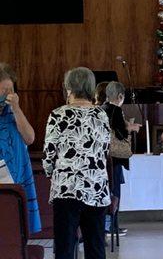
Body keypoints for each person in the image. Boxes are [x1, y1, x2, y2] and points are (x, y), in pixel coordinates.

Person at [43, 67, 111, 259]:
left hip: (66, 188)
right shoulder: (101, 115)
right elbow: (105, 150)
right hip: (96, 186)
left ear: (68, 87)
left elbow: (49, 153)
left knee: (65, 247)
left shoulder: (58, 114)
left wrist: (52, 173)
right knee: (96, 246)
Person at [0, 63, 41, 234]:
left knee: (15, 229)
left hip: (16, 178)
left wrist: (16, 108)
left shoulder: (13, 112)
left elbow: (30, 138)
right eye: (4, 90)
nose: (8, 95)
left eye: (11, 90)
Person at [100, 81, 141, 236]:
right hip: (115, 157)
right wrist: (132, 128)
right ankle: (111, 226)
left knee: (107, 191)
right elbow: (121, 133)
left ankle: (109, 225)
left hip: (104, 157)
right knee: (115, 191)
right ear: (120, 96)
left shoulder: (101, 109)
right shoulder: (115, 110)